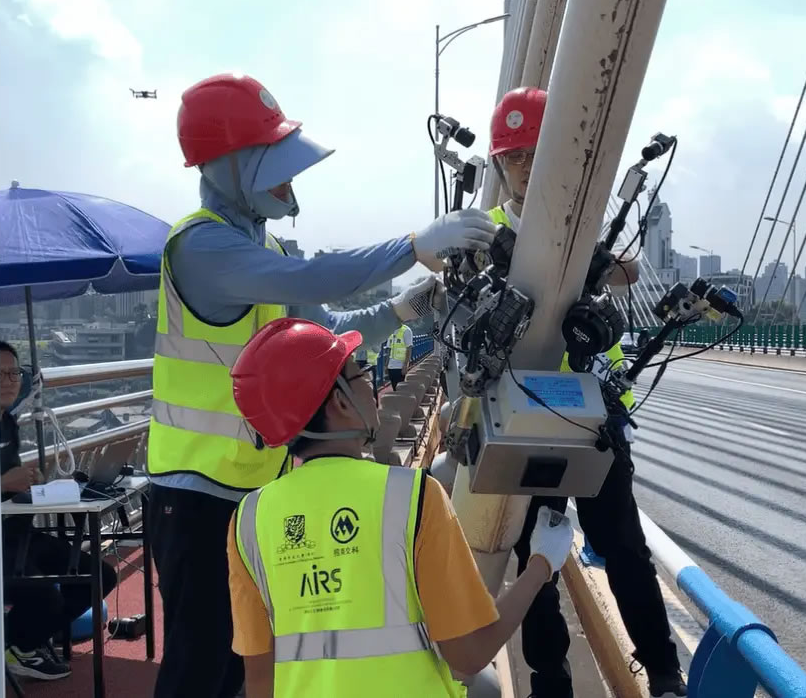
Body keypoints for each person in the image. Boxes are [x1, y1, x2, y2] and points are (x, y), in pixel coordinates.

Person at [148, 73, 498, 697]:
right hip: (197, 492)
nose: (289, 182)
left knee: (250, 665)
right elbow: (313, 281)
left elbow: (327, 329)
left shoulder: (263, 248)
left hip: (252, 490)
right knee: (199, 672)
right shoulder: (200, 247)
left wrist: (404, 308)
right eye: (273, 162)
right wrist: (412, 246)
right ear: (231, 166)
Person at [224, 318, 575, 697]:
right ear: (339, 402)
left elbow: (259, 680)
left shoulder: (248, 521)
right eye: (360, 374)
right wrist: (541, 563)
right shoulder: (413, 497)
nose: (370, 385)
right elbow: (470, 654)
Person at [488, 88, 688, 698]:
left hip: (592, 408)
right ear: (499, 166)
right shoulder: (489, 231)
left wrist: (592, 260)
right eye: (514, 157)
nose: (526, 167)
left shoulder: (585, 226)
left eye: (536, 153)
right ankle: (550, 682)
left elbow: (629, 269)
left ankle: (664, 673)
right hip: (525, 412)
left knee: (622, 542)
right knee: (535, 557)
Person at [0, 340, 118, 681]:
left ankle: (21, 640)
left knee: (98, 576)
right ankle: (16, 645)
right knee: (44, 597)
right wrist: (3, 481)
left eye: (14, 373)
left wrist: (30, 482)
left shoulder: (7, 422)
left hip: (20, 531)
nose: (9, 381)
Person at [385, 322, 413, 390]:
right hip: (391, 365)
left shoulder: (406, 330)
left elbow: (409, 348)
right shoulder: (390, 330)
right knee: (394, 387)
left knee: (400, 388)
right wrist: (386, 365)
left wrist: (405, 365)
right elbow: (389, 349)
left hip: (400, 365)